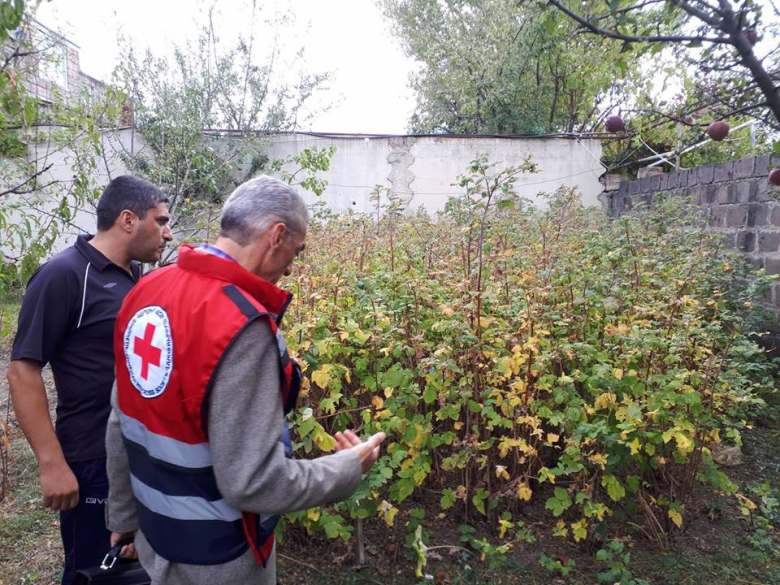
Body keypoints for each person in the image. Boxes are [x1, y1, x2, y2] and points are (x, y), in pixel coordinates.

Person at [105, 175, 385, 585]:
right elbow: (253, 483)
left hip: (154, 540)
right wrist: (347, 468)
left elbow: (121, 420)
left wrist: (124, 517)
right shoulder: (241, 324)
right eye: (297, 251)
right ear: (276, 235)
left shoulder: (147, 289)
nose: (292, 267)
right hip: (219, 557)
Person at [6, 175, 172, 585]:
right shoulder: (64, 275)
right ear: (128, 220)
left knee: (134, 571)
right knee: (94, 572)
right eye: (161, 221)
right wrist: (52, 463)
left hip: (134, 452)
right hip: (92, 460)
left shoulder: (137, 277)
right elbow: (23, 370)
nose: (168, 233)